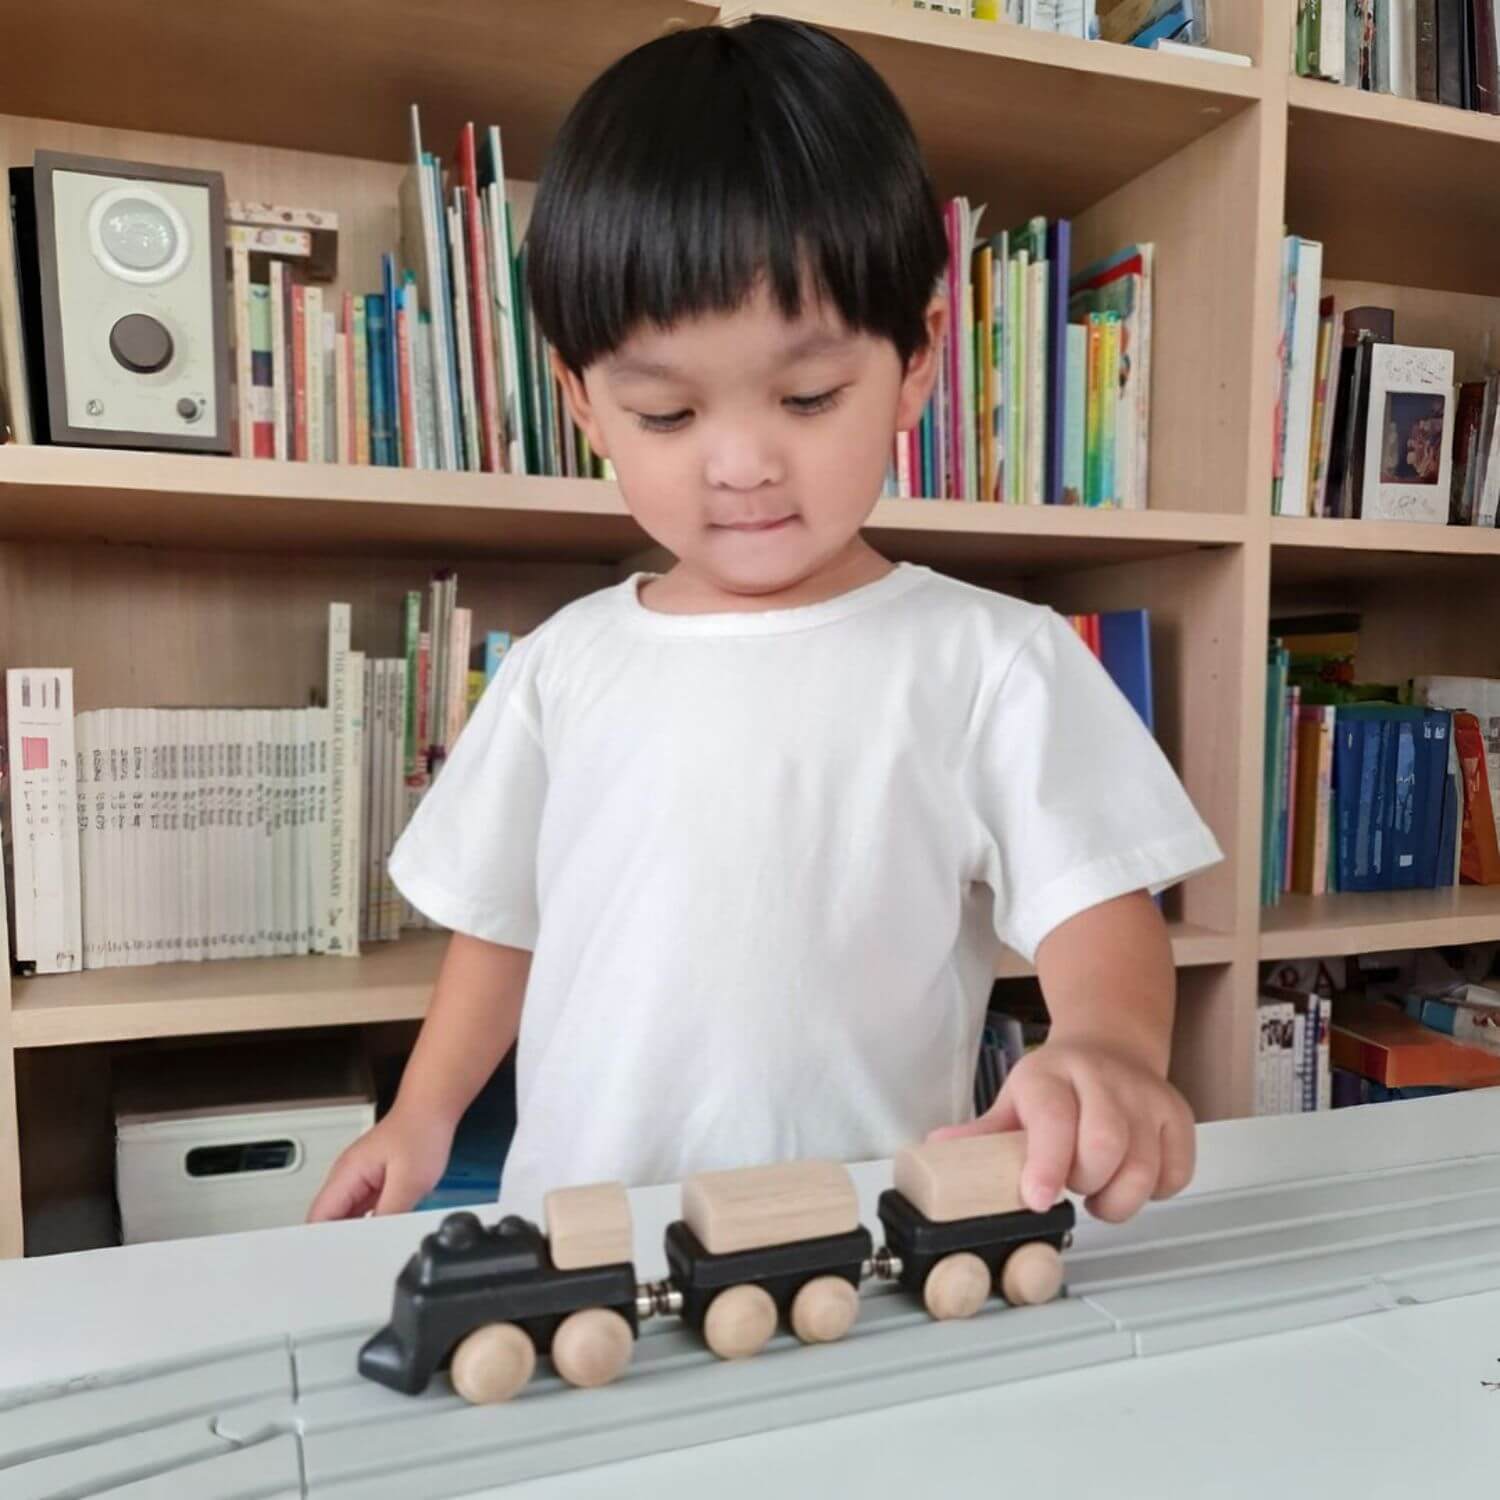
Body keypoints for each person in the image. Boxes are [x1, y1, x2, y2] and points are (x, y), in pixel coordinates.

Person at [307, 15, 1223, 1230]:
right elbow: (502, 927)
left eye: (806, 395)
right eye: (667, 415)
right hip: (579, 1236)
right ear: (583, 403)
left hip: (865, 1246)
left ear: (917, 362)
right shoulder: (562, 665)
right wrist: (420, 1118)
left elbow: (1096, 912)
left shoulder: (991, 661)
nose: (740, 465)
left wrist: (1107, 1046)